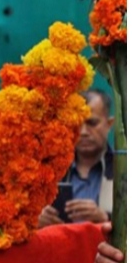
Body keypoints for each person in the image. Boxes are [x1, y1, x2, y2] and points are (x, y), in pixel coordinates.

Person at [38, 89, 115, 228]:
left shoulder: (124, 169)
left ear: (109, 124)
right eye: (76, 125)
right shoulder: (51, 169)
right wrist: (37, 219)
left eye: (92, 123)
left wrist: (105, 218)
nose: (83, 132)